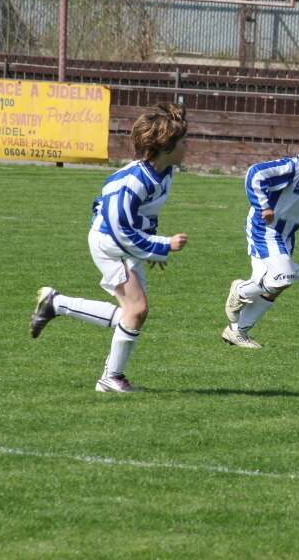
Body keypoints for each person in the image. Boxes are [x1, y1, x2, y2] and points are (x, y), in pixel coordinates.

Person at [29, 101, 189, 393]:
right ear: (165, 146)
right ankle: (110, 378)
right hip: (109, 244)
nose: (186, 146)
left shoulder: (165, 172)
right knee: (137, 310)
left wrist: (152, 246)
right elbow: (120, 230)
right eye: (182, 141)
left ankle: (56, 303)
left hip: (125, 243)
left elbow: (145, 215)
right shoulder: (131, 182)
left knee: (132, 314)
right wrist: (161, 245)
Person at [222, 120, 299, 348]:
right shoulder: (293, 168)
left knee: (278, 284)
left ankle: (237, 332)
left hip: (286, 236)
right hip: (265, 230)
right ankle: (240, 289)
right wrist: (263, 207)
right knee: (283, 277)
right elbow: (255, 174)